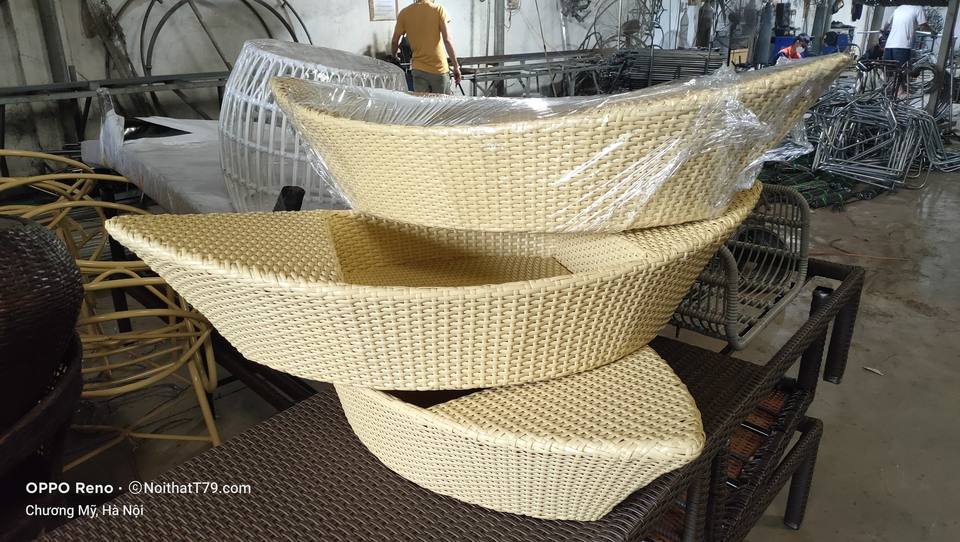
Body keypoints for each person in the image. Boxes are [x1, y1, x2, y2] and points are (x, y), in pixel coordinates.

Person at [391, 0, 461, 95]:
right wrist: (456, 66)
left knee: (423, 103)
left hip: (418, 69)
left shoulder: (404, 13)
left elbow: (394, 41)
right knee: (442, 103)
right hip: (438, 69)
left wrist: (394, 56)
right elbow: (447, 40)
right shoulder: (438, 9)